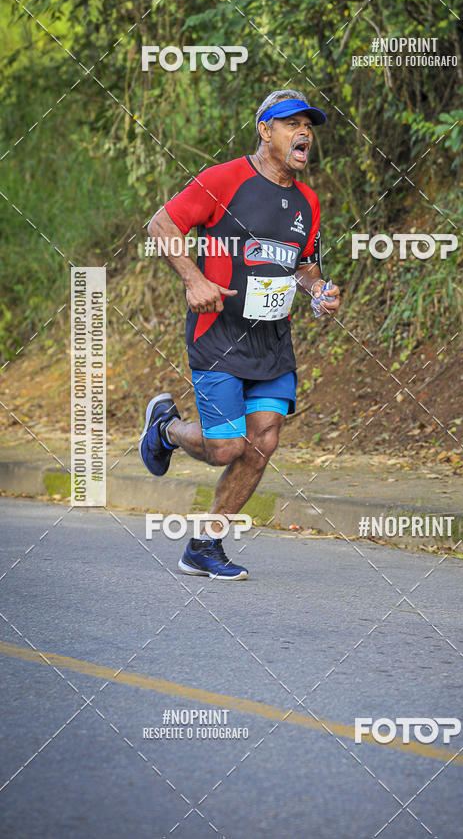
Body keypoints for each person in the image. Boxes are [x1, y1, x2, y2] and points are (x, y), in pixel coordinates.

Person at [139, 89, 341, 580]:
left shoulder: (308, 201)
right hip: (219, 335)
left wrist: (320, 291)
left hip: (272, 341)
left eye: (308, 127)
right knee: (227, 447)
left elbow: (305, 266)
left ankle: (204, 546)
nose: (304, 133)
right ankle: (164, 429)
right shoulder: (225, 179)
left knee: (263, 442)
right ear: (264, 131)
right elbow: (161, 223)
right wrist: (194, 280)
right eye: (291, 124)